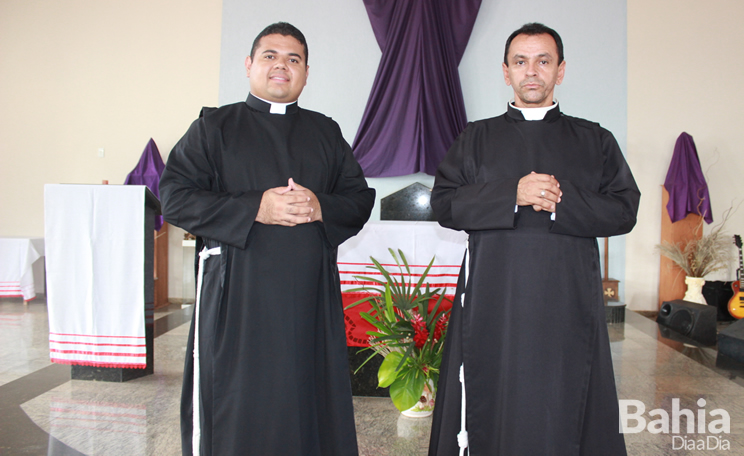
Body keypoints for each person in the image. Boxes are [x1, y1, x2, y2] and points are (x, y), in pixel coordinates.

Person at [159, 22, 374, 456]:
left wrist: (319, 206)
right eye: (270, 56)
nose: (281, 66)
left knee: (306, 402)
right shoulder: (214, 127)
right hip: (238, 297)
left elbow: (358, 198)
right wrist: (255, 208)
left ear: (306, 73)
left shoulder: (325, 132)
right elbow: (174, 197)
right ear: (249, 65)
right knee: (239, 407)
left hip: (309, 299)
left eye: (293, 59)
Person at [428, 23, 640, 455]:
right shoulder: (475, 137)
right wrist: (513, 193)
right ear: (505, 72)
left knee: (563, 394)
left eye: (543, 61)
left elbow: (624, 210)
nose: (532, 72)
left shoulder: (595, 139)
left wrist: (561, 200)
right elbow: (444, 204)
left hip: (568, 299)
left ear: (560, 71)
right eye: (520, 62)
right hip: (494, 298)